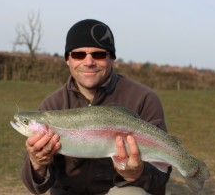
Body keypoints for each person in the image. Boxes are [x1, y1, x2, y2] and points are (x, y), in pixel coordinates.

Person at [21, 19, 171, 195]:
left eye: (98, 54)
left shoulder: (144, 99)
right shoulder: (51, 106)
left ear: (112, 58)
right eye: (79, 54)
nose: (89, 62)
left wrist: (137, 174)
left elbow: (162, 176)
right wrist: (37, 163)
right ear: (67, 60)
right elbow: (35, 187)